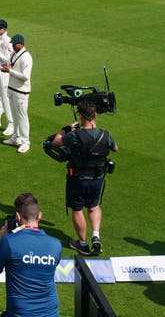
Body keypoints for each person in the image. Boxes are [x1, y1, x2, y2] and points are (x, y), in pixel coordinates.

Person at [47, 99, 117, 256]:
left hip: (78, 179)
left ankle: (83, 244)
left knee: (77, 209)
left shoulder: (75, 136)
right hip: (97, 178)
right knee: (94, 206)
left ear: (80, 115)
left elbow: (56, 142)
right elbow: (115, 148)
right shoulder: (106, 135)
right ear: (94, 115)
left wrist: (66, 129)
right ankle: (96, 236)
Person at [0, 192, 61, 317]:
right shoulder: (56, 245)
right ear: (40, 216)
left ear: (18, 216)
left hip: (20, 313)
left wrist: (3, 239)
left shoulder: (9, 242)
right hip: (50, 312)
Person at [3, 34, 33, 153]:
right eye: (13, 44)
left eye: (15, 44)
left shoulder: (26, 57)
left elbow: (25, 77)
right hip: (12, 88)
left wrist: (9, 71)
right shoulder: (13, 54)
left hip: (21, 91)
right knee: (14, 116)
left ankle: (26, 142)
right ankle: (16, 137)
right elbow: (11, 66)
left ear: (21, 43)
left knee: (22, 117)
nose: (13, 46)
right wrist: (6, 67)